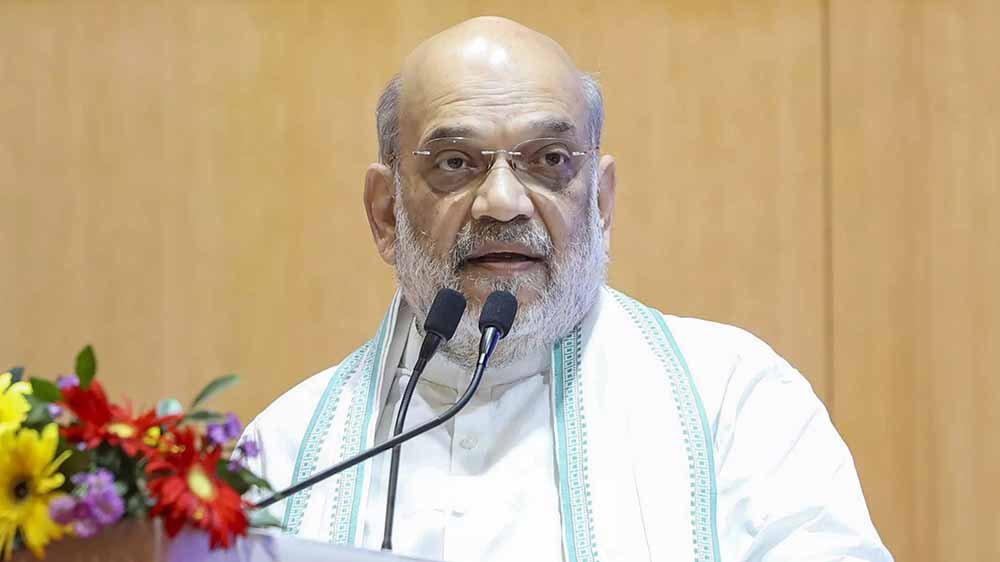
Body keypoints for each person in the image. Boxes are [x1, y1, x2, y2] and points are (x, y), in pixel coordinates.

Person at [239, 16, 892, 562]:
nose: (502, 202)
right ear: (386, 214)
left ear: (602, 203)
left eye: (549, 160)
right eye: (455, 164)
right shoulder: (284, 457)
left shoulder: (738, 405)